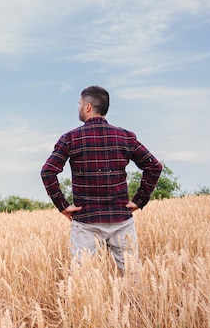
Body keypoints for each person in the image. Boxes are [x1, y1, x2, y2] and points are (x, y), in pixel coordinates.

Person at [41, 85, 162, 273]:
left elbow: (48, 171)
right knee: (132, 276)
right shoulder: (125, 137)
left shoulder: (70, 138)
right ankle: (134, 304)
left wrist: (63, 205)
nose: (78, 108)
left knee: (83, 280)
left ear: (88, 107)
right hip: (121, 219)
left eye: (80, 104)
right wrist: (139, 200)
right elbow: (154, 166)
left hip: (86, 221)